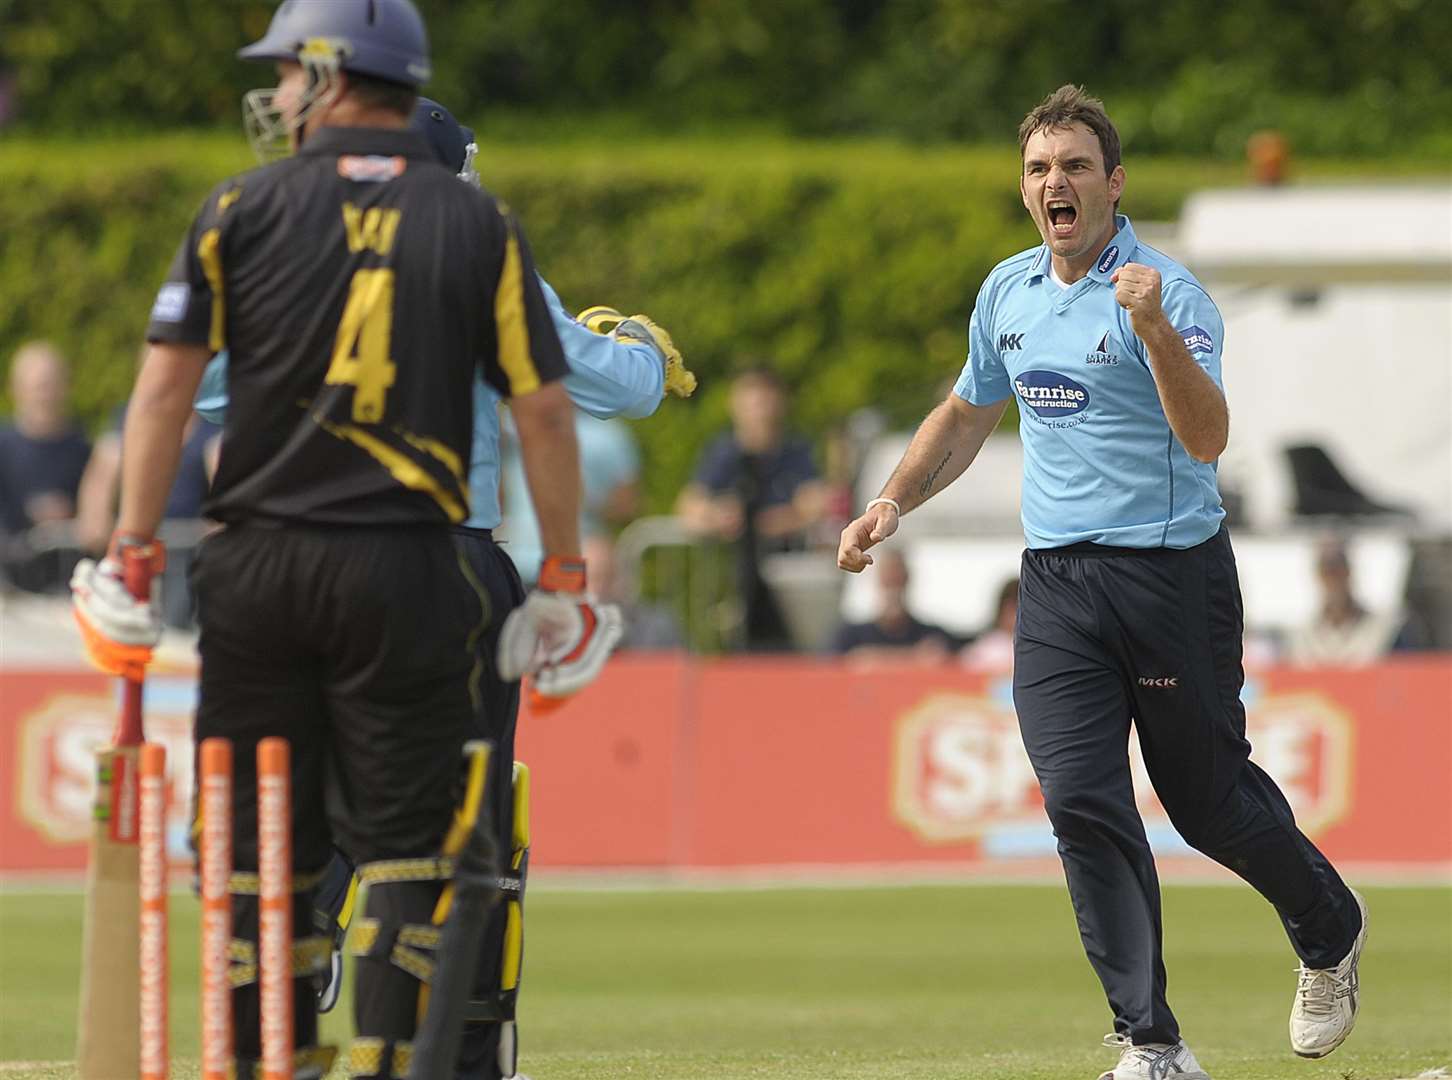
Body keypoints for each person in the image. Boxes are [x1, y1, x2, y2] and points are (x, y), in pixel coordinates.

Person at [69, 2, 621, 1074]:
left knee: (248, 861)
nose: (276, 96)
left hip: (260, 565)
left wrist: (132, 551)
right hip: (413, 565)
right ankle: (401, 1058)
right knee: (417, 852)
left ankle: (258, 1054)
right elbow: (547, 411)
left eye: (285, 75)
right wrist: (562, 575)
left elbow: (162, 395)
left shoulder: (239, 207)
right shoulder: (475, 225)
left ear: (329, 77)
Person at [836, 85, 1366, 1080]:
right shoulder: (1008, 293)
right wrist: (892, 501)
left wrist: (1155, 330)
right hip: (1059, 587)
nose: (1056, 184)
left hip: (1172, 580)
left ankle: (1329, 927)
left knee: (1207, 805)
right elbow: (963, 414)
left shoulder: (1168, 293)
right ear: (1025, 190)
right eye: (1040, 169)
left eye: (1076, 167)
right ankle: (1152, 1043)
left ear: (1113, 186)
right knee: (1081, 799)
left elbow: (1207, 439)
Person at [191, 94, 694, 1080]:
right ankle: (460, 1037)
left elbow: (202, 388)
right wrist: (637, 343)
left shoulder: (282, 251)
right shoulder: (473, 244)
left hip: (293, 565)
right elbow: (606, 387)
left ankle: (302, 950)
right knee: (459, 816)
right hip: (442, 564)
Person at [677, 366, 825, 650]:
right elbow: (690, 507)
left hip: (785, 577)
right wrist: (718, 518)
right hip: (733, 579)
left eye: (764, 401)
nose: (759, 412)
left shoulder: (795, 451)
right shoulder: (723, 454)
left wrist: (764, 524)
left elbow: (815, 505)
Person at [0, 342, 92, 591]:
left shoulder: (82, 449)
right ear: (16, 389)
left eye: (52, 384)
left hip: (68, 583)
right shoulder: (4, 446)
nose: (46, 394)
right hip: (10, 588)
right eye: (39, 386)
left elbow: (96, 516)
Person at [1286, 538, 1414, 665]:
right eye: (1327, 571)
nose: (1333, 578)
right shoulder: (1302, 637)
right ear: (1318, 575)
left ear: (1348, 571)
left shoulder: (1383, 630)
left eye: (1338, 569)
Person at [830, 549, 952, 661]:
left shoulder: (931, 635)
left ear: (907, 579)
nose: (893, 585)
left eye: (898, 577)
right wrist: (915, 656)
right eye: (887, 578)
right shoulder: (850, 636)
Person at [958, 576, 1019, 672]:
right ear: (1002, 609)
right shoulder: (986, 647)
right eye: (1012, 608)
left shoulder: (1040, 647)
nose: (1015, 616)